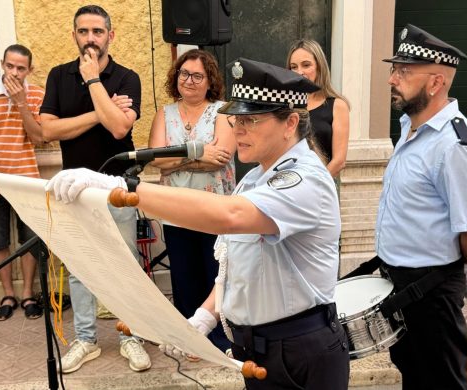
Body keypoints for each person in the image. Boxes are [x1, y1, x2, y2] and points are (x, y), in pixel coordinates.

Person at [45, 58, 350, 389]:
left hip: (300, 349)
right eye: (235, 120)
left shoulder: (304, 178)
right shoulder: (256, 179)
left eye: (251, 120)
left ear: (290, 122)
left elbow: (228, 215)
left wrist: (124, 189)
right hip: (259, 350)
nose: (238, 129)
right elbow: (236, 269)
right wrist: (204, 317)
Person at [378, 24, 467, 389]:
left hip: (430, 294)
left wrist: (459, 272)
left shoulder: (454, 146)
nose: (392, 79)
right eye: (394, 69)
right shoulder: (412, 127)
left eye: (403, 71)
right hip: (404, 287)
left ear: (435, 83)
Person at [39, 4, 151, 373]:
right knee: (80, 267)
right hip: (74, 188)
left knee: (124, 263)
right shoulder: (58, 76)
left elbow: (120, 129)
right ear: (74, 35)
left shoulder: (127, 77)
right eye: (83, 31)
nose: (90, 38)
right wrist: (100, 111)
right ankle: (85, 339)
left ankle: (129, 335)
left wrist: (93, 82)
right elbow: (48, 131)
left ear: (110, 35)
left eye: (97, 32)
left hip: (116, 185)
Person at [148, 48, 235, 352]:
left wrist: (176, 156)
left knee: (216, 275)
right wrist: (197, 152)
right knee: (184, 277)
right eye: (185, 74)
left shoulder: (223, 111)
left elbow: (220, 159)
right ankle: (190, 340)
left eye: (198, 75)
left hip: (214, 209)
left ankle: (220, 340)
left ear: (210, 81)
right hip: (176, 209)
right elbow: (155, 160)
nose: (190, 80)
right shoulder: (165, 113)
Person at [0, 44, 44, 321]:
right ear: (2, 64)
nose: (14, 73)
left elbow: (39, 137)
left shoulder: (37, 94)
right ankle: (8, 294)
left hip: (27, 179)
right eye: (10, 66)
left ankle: (28, 294)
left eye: (21, 68)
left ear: (29, 70)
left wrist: (21, 102)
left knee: (29, 240)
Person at [287, 39, 349, 178]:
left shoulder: (337, 105)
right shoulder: (285, 105)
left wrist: (314, 185)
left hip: (322, 186)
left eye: (306, 65)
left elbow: (339, 161)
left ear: (319, 67)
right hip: (286, 187)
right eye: (294, 67)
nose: (299, 72)